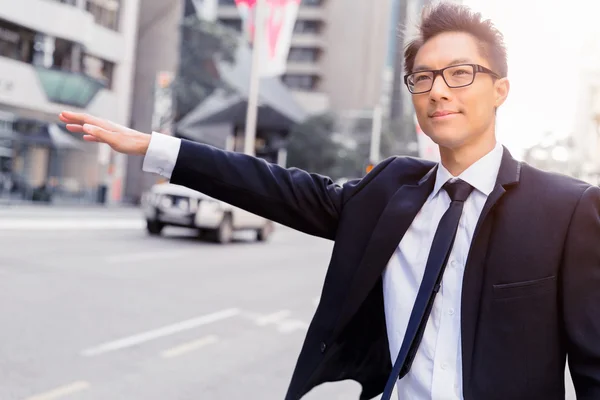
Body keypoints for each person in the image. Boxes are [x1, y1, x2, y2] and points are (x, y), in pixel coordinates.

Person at [59, 3, 600, 399]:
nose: (439, 90)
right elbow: (273, 186)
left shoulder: (567, 210)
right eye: (423, 78)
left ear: (500, 88)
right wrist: (154, 147)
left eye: (460, 74)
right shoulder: (391, 190)